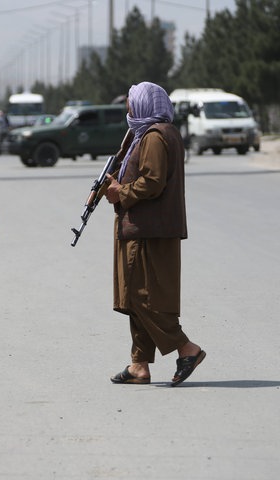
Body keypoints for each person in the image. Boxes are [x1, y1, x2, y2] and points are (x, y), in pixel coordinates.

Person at [105, 81, 205, 387]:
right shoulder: (154, 134)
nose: (128, 110)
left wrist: (119, 191)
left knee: (140, 294)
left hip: (148, 231)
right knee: (137, 296)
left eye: (132, 105)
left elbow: (152, 182)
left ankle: (187, 349)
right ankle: (139, 364)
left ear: (145, 106)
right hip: (147, 227)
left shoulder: (154, 137)